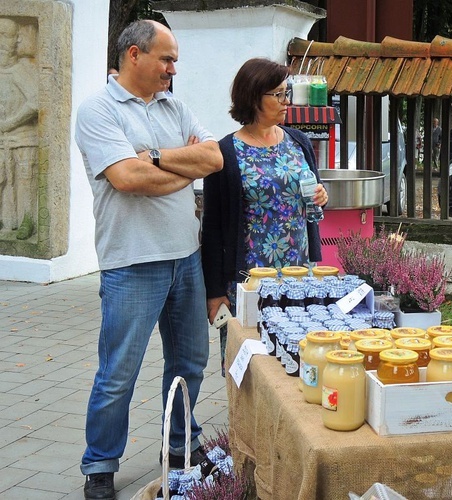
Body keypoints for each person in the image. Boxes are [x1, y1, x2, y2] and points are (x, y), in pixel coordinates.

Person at [75, 20, 223, 500]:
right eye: (166, 58)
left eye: (174, 59)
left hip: (187, 259)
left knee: (190, 363)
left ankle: (182, 445)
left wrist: (155, 156)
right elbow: (126, 178)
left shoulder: (174, 105)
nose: (173, 69)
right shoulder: (98, 110)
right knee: (119, 372)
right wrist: (179, 165)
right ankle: (99, 465)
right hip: (131, 262)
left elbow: (214, 159)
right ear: (134, 55)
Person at [201, 58, 328, 374]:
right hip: (249, 282)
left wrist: (320, 198)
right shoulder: (226, 153)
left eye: (287, 93)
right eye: (278, 95)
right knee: (250, 365)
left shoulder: (298, 142)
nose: (286, 102)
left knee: (296, 359)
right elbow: (213, 228)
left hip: (298, 277)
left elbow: (311, 204)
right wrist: (215, 292)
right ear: (253, 97)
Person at [0, 17, 38, 240]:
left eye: (5, 36)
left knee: (25, 180)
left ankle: (27, 220)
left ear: (17, 40)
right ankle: (7, 220)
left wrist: (11, 122)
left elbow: (35, 102)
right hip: (3, 137)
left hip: (23, 137)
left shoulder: (21, 70)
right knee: (4, 180)